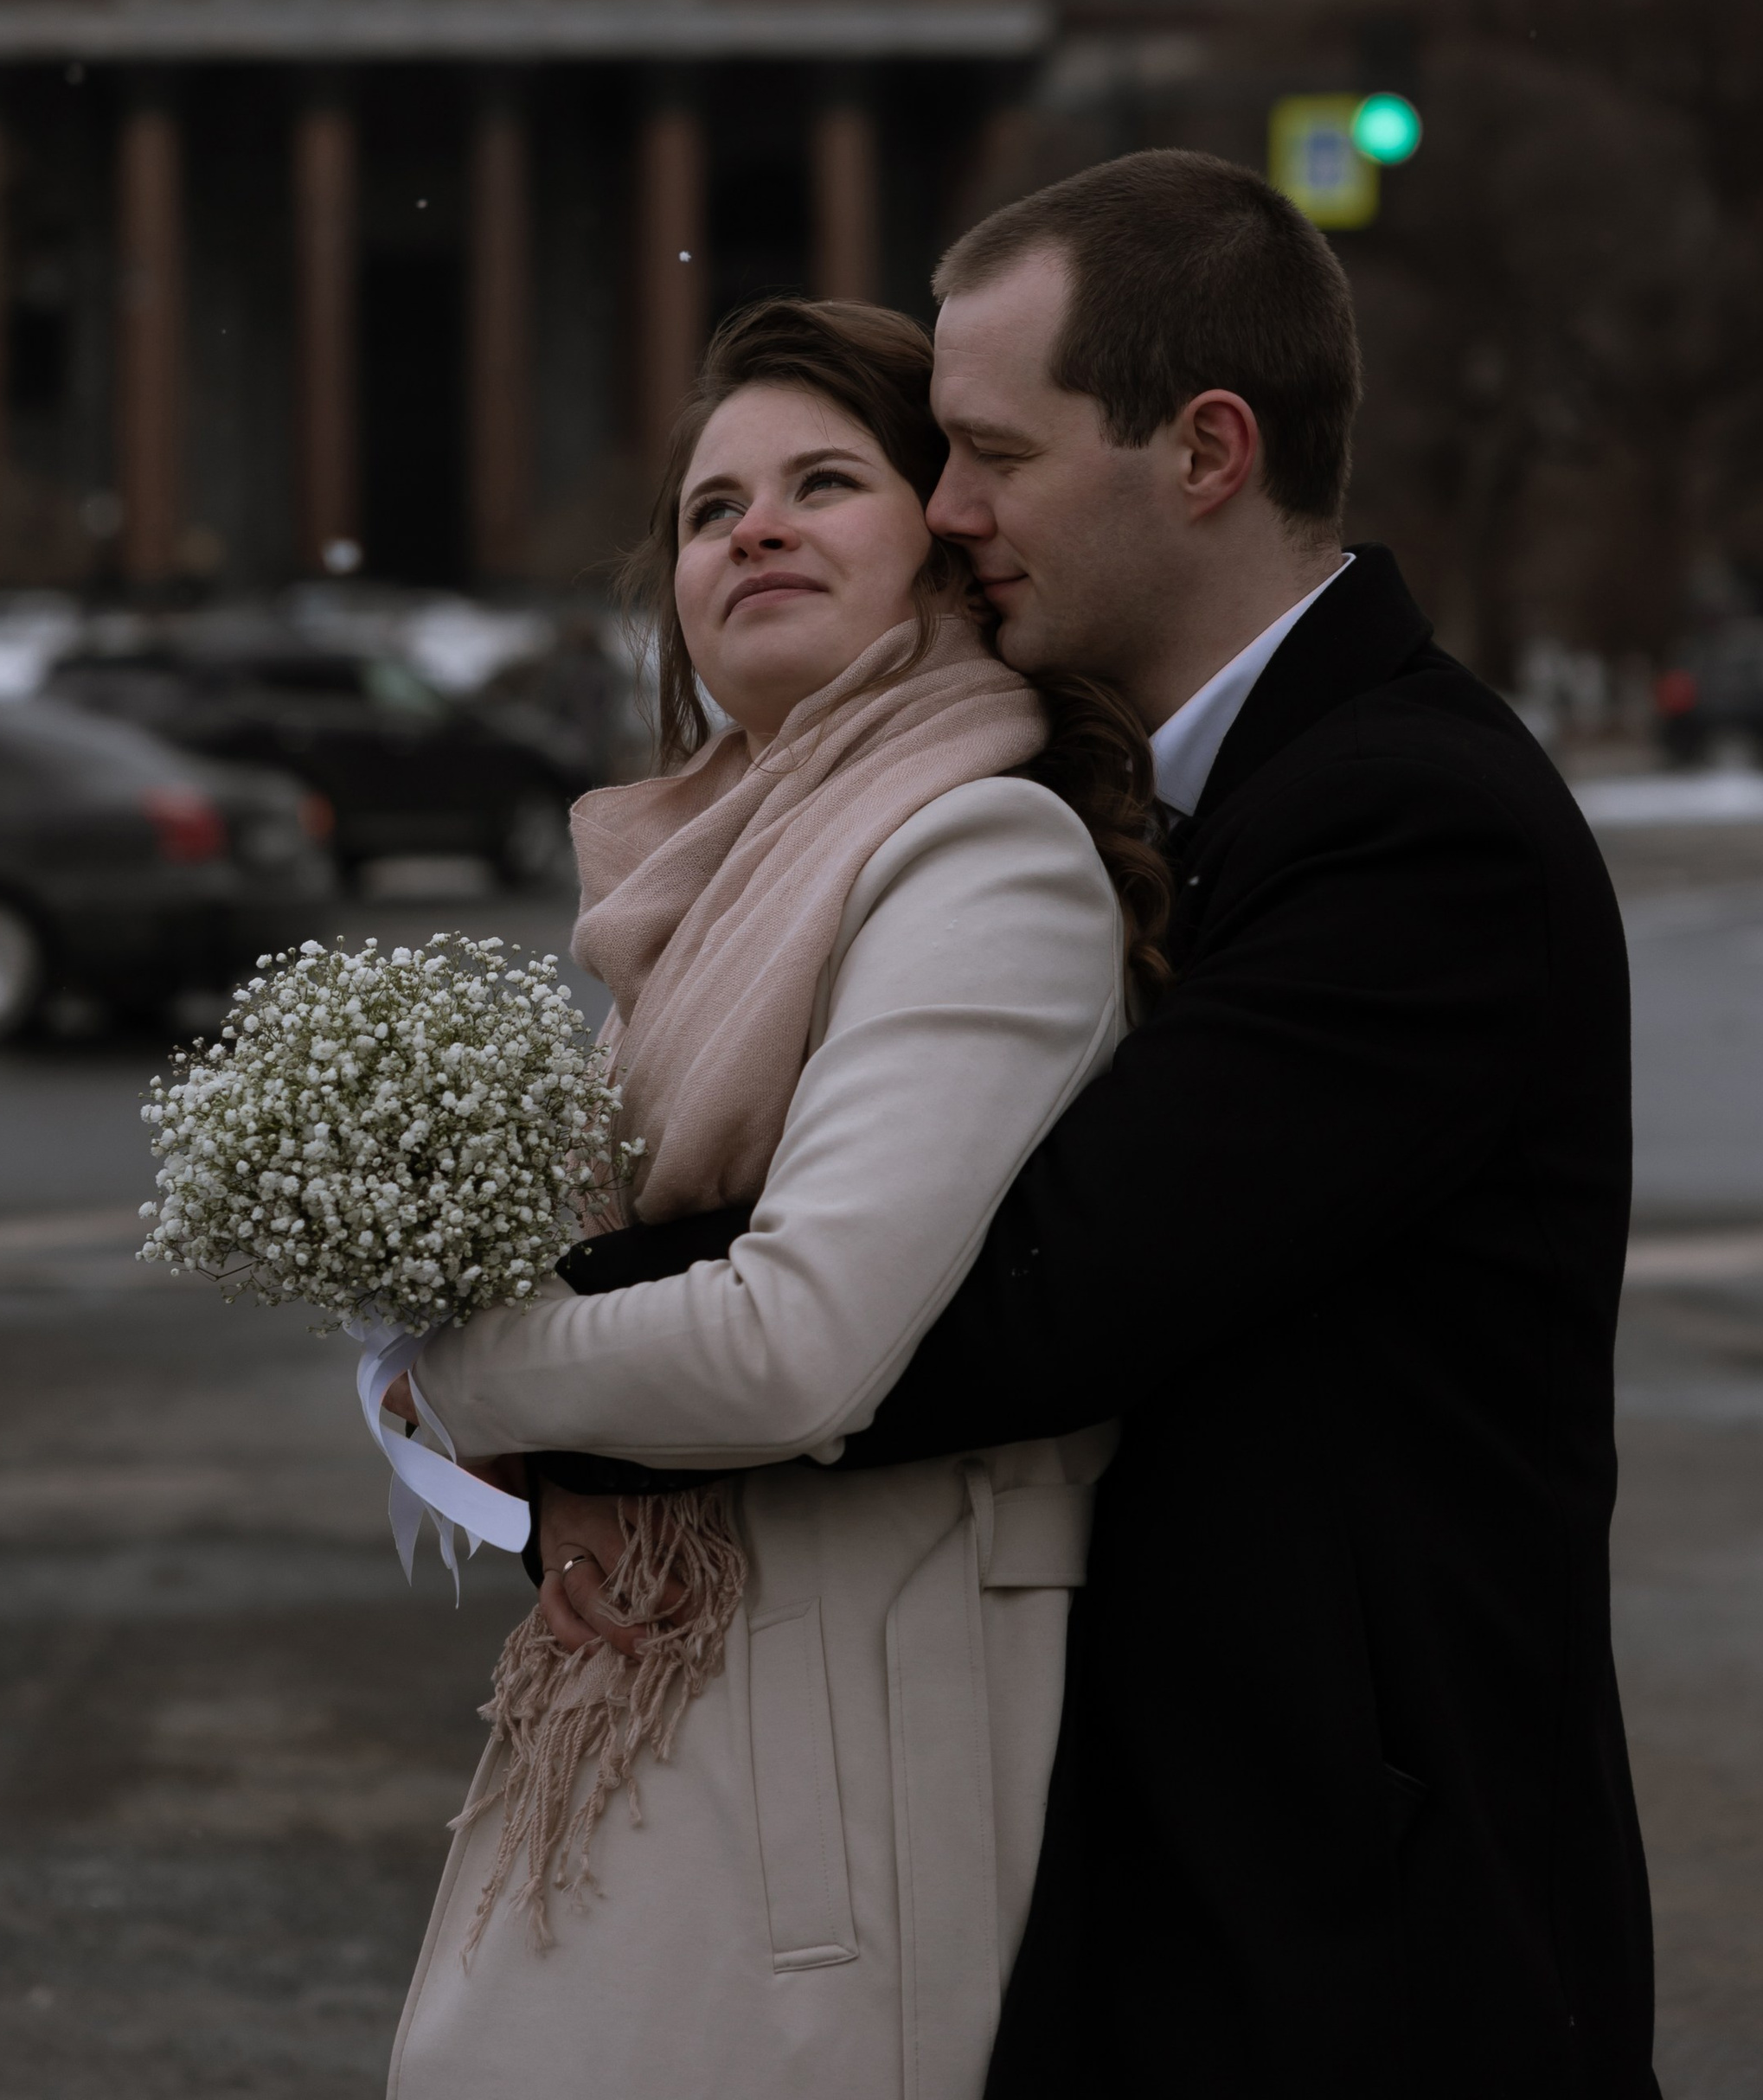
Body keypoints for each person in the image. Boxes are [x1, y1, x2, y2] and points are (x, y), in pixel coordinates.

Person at [559, 150, 1659, 2100]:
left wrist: (516, 1356)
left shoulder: (1415, 826)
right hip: (1191, 1872)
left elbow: (1027, 1291)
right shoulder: (1161, 805)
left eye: (988, 455)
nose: (948, 509)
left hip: (1361, 1922)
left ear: (1205, 452)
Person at [386, 296, 1170, 2100]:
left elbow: (790, 1343)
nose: (753, 527)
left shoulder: (979, 857)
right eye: (706, 507)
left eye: (825, 481)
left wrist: (468, 1382)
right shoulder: (708, 888)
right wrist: (502, 1431)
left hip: (844, 1754)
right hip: (686, 1694)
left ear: (948, 546)